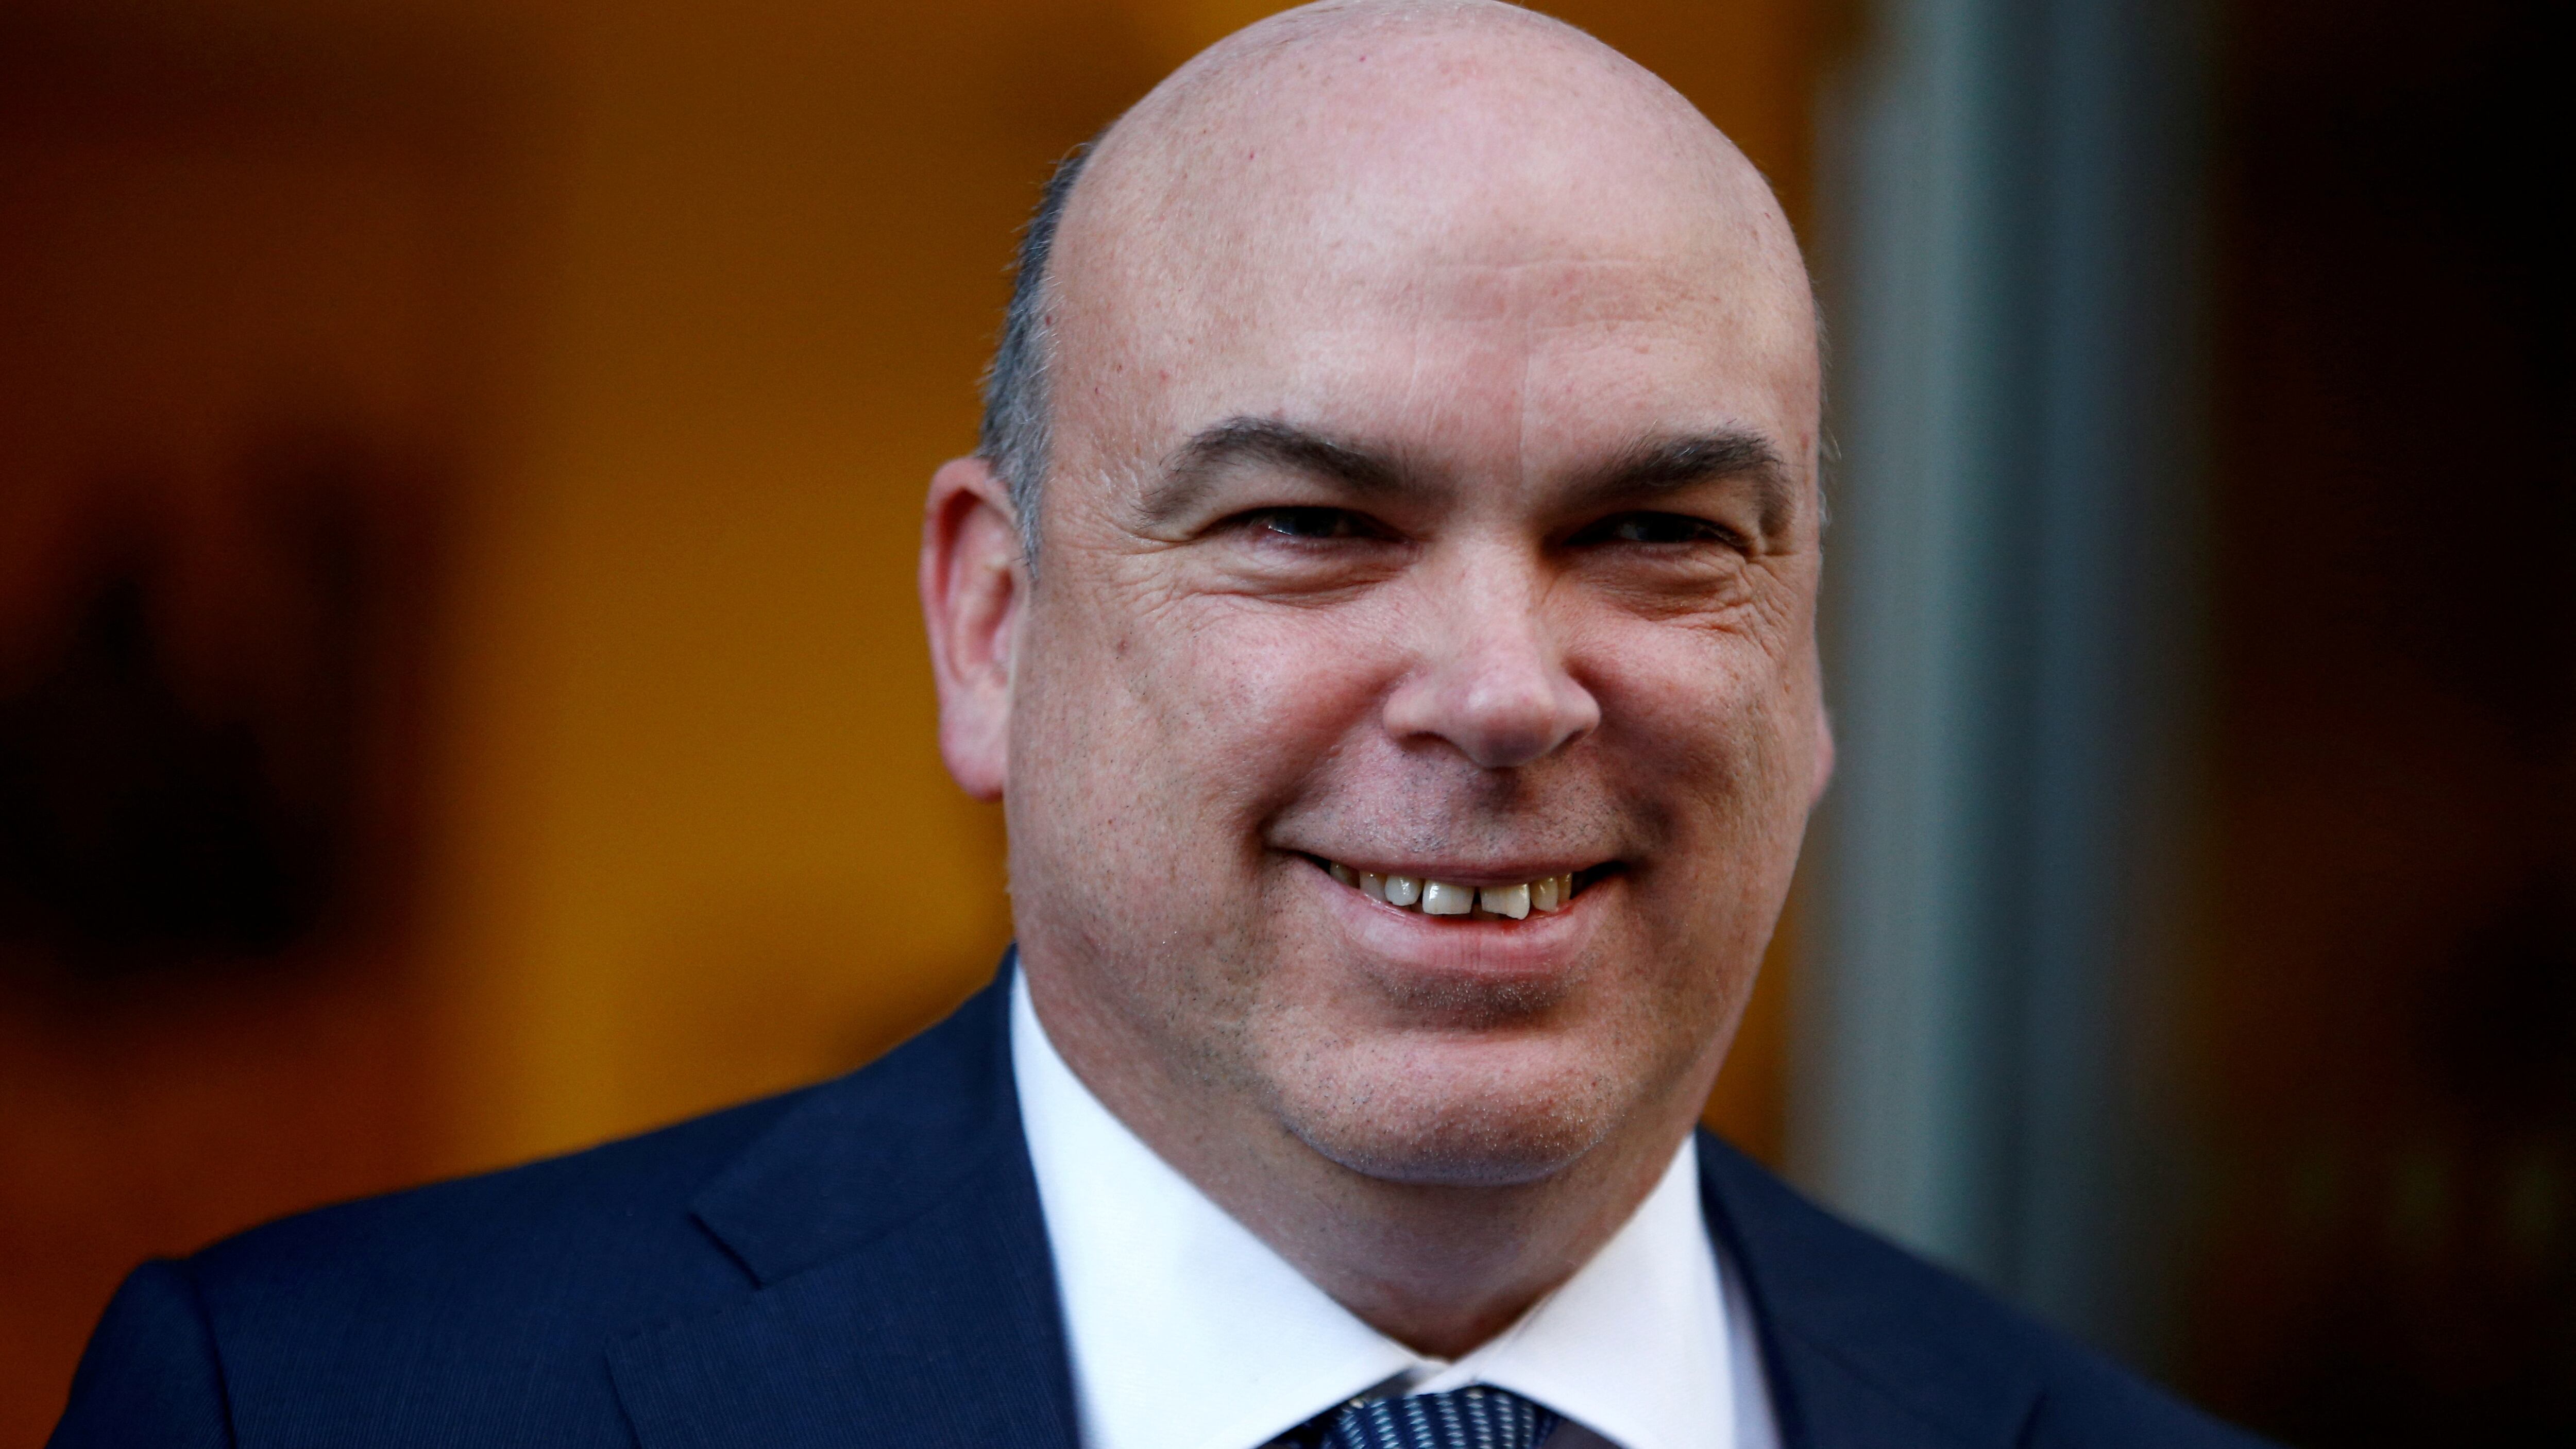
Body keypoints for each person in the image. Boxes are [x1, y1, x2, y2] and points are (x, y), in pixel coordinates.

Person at [52, 4, 2272, 1446]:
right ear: (989, 626)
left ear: (1807, 666)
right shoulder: (315, 1409)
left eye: (1655, 530)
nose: (1503, 686)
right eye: (1311, 518)